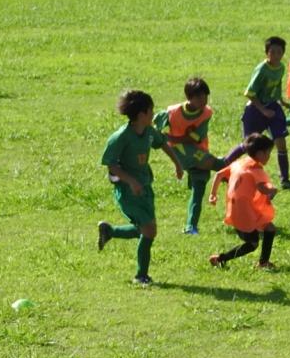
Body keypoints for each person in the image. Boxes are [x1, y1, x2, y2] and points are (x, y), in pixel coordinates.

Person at [98, 89, 184, 286]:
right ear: (141, 115)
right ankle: (141, 276)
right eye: (151, 110)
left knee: (145, 230)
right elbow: (111, 165)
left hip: (145, 188)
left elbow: (163, 143)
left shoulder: (148, 132)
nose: (153, 113)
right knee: (149, 230)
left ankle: (110, 232)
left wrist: (177, 164)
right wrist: (131, 181)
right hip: (128, 192)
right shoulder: (121, 137)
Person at [154, 77, 246, 236]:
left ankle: (191, 226)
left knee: (198, 189)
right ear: (189, 97)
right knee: (221, 164)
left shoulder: (206, 113)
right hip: (182, 153)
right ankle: (245, 148)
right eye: (199, 97)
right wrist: (168, 137)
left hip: (198, 150)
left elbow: (195, 137)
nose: (203, 101)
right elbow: (159, 128)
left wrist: (173, 139)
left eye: (205, 97)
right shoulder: (172, 112)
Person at [208, 133, 278, 270]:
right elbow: (263, 188)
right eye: (268, 153)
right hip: (244, 211)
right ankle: (220, 258)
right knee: (252, 244)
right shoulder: (255, 169)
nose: (269, 156)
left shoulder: (239, 163)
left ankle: (263, 262)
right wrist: (272, 189)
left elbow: (219, 174)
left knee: (270, 229)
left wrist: (212, 194)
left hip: (239, 208)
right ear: (259, 153)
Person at [241, 36, 290, 190]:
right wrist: (263, 110)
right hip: (255, 109)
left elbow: (277, 85)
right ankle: (231, 170)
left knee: (281, 142)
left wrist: (281, 101)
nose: (275, 55)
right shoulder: (262, 70)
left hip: (272, 108)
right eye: (272, 51)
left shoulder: (280, 68)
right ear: (267, 53)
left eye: (279, 52)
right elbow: (250, 93)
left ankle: (285, 180)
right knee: (249, 147)